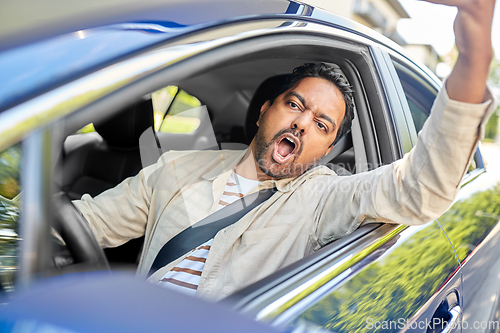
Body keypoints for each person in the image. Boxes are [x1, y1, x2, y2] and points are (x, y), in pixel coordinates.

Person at [73, 0, 497, 301]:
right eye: (295, 104)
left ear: (328, 147)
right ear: (264, 111)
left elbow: (420, 189)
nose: (301, 123)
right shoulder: (175, 168)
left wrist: (474, 57)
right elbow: (85, 224)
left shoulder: (321, 199)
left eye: (321, 124)